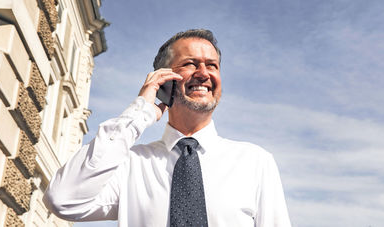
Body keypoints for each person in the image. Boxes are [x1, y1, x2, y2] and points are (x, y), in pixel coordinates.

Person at [43, 29, 291, 226]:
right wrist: (139, 111)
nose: (203, 73)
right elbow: (62, 200)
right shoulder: (131, 164)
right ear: (163, 79)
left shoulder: (255, 162)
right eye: (191, 64)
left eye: (212, 65)